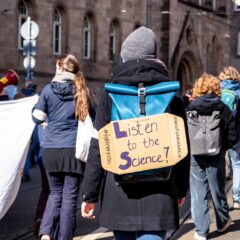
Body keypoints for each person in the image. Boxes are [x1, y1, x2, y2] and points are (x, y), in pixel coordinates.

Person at [81, 26, 190, 240]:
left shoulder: (110, 95)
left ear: (124, 56)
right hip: (160, 189)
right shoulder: (171, 95)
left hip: (120, 190)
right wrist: (182, 189)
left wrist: (89, 194)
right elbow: (182, 147)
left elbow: (98, 148)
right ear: (154, 57)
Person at [32, 54, 91, 240]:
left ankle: (46, 234)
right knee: (69, 199)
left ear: (61, 69)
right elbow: (94, 118)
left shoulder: (48, 90)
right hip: (72, 152)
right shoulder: (81, 91)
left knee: (54, 194)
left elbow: (37, 118)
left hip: (50, 151)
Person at [186, 73, 237, 240]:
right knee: (217, 190)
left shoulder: (190, 108)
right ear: (216, 88)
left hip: (195, 154)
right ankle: (222, 222)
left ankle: (201, 231)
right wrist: (224, 148)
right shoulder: (223, 107)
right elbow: (232, 134)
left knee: (197, 192)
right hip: (216, 153)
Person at [219, 66, 240, 209]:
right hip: (237, 133)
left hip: (219, 133)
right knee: (237, 164)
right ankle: (237, 199)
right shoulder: (239, 91)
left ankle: (221, 202)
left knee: (219, 165)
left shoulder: (218, 91)